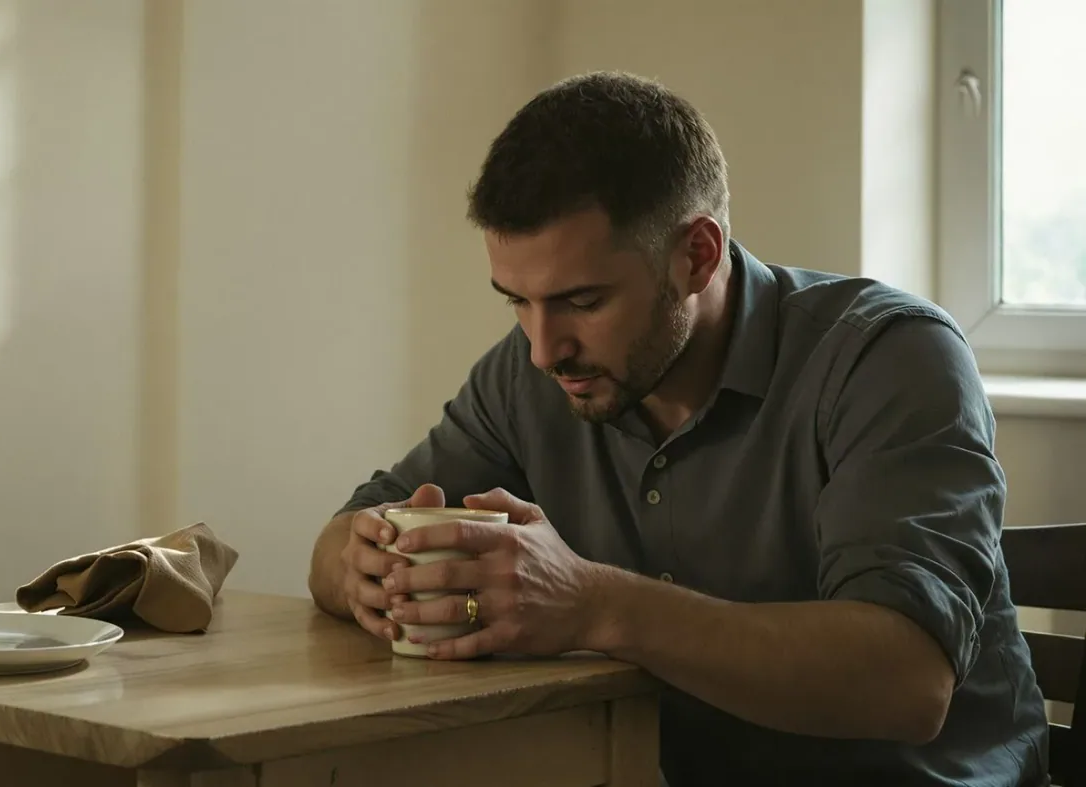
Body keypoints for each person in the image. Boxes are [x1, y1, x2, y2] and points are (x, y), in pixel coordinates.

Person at [306, 71, 1049, 786]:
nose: (543, 347)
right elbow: (345, 532)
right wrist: (366, 567)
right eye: (517, 303)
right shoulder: (534, 373)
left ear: (697, 255)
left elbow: (906, 682)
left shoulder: (888, 359)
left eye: (584, 300)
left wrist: (590, 603)